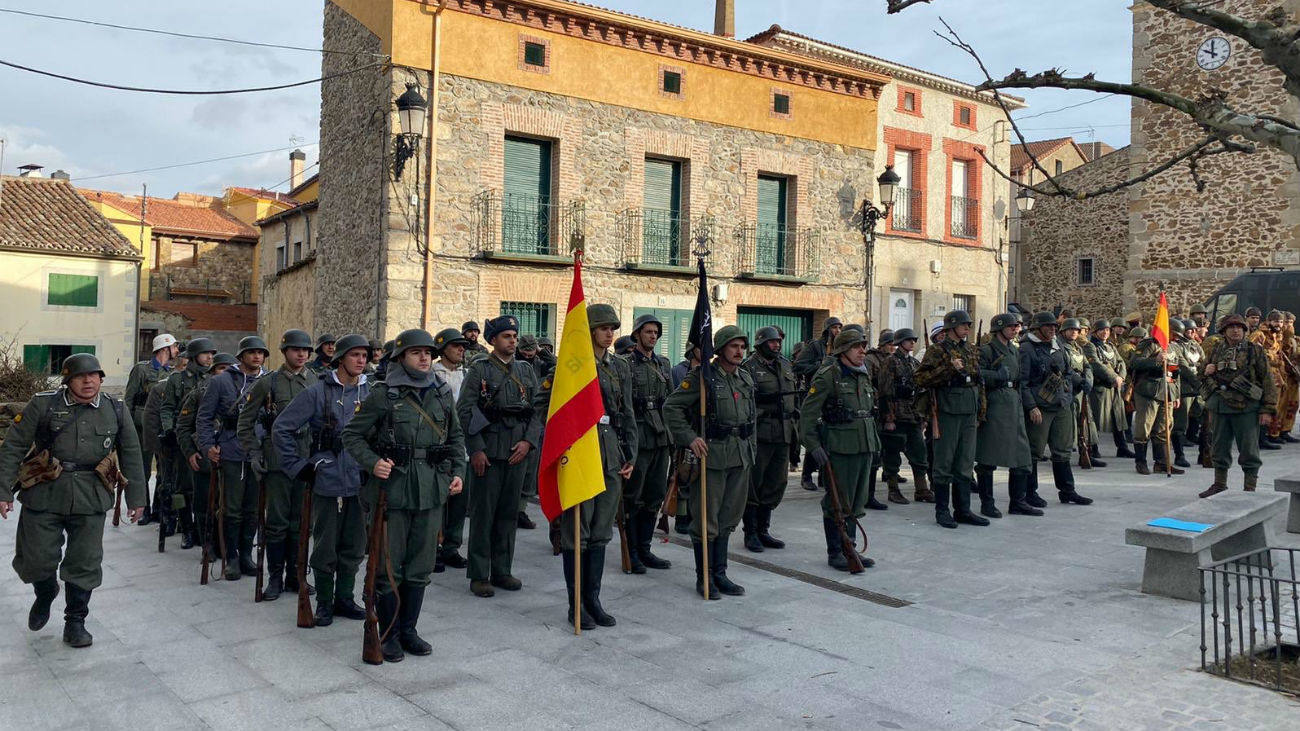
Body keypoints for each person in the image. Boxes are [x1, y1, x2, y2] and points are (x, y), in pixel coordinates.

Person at [0, 354, 147, 648]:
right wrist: (3, 491)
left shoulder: (115, 410)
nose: (89, 381)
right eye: (81, 376)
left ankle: (75, 622)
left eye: (94, 375)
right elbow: (13, 446)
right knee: (35, 559)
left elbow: (131, 454)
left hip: (91, 495)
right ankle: (45, 591)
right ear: (68, 380)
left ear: (101, 379)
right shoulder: (43, 405)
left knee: (85, 562)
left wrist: (136, 498)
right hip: (44, 491)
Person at [343, 329, 465, 662]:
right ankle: (389, 632)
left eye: (427, 352)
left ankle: (409, 630)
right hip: (393, 491)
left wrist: (457, 473)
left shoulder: (441, 393)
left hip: (431, 489)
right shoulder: (384, 395)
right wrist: (373, 463)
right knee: (388, 565)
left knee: (420, 566)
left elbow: (455, 439)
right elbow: (352, 436)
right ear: (400, 358)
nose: (424, 357)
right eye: (416, 353)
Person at [540, 304, 636, 626]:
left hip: (610, 454)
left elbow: (628, 413)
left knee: (600, 533)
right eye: (603, 328)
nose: (609, 333)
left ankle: (593, 600)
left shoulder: (620, 367)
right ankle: (574, 605)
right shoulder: (571, 365)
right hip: (581, 452)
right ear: (590, 330)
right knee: (576, 534)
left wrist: (630, 454)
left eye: (613, 328)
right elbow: (547, 407)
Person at [274, 334, 372, 626]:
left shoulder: (371, 393)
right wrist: (298, 466)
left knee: (355, 545)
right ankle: (325, 602)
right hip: (327, 479)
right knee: (326, 546)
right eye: (355, 355)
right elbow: (282, 428)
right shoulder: (317, 392)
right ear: (340, 358)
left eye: (364, 356)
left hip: (361, 480)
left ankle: (345, 598)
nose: (361, 361)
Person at [665, 325, 756, 596]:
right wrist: (689, 437)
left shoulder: (745, 378)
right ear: (720, 349)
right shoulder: (702, 377)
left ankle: (721, 573)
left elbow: (752, 419)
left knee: (729, 517)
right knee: (707, 520)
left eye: (742, 346)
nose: (739, 351)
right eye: (734, 346)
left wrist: (751, 450)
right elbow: (671, 407)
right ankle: (704, 577)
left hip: (739, 455)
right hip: (711, 456)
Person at [456, 316, 542, 597]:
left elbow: (537, 411)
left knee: (509, 513)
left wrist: (528, 442)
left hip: (517, 450)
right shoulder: (479, 370)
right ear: (492, 340)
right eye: (506, 336)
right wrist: (477, 449)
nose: (513, 341)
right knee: (484, 514)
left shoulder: (526, 371)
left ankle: (502, 569)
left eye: (515, 336)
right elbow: (466, 411)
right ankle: (480, 573)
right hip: (490, 451)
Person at [236, 329, 318, 601]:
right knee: (277, 523)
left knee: (301, 524)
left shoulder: (317, 381)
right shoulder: (268, 383)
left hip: (306, 460)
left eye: (306, 350)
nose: (302, 354)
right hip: (278, 462)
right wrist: (255, 453)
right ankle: (274, 578)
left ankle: (296, 576)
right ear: (285, 352)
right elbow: (245, 423)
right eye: (296, 349)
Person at [799, 329, 879, 567]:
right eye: (857, 347)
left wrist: (874, 443)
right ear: (844, 350)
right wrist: (813, 446)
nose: (862, 351)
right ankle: (836, 551)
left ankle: (850, 547)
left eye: (863, 346)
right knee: (837, 501)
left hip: (863, 445)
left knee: (856, 501)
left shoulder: (862, 374)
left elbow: (867, 412)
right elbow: (807, 416)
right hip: (841, 448)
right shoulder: (829, 375)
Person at [197, 335, 269, 581]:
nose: (257, 356)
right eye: (252, 352)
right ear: (241, 356)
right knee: (231, 508)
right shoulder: (221, 382)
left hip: (258, 451)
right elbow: (204, 417)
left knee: (253, 508)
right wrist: (208, 446)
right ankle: (232, 557)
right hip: (231, 448)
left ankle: (247, 554)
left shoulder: (269, 381)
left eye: (261, 353)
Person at [914, 310, 988, 528]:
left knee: (965, 462)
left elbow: (978, 381)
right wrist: (948, 369)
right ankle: (942, 510)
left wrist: (981, 410)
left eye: (969, 324)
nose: (967, 328)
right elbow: (920, 378)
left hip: (969, 410)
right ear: (952, 327)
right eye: (964, 324)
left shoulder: (971, 350)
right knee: (944, 462)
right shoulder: (937, 350)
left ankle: (963, 509)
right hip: (947, 412)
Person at [1199, 315, 1278, 497]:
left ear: (1244, 330)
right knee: (1218, 448)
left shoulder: (1254, 350)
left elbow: (1267, 380)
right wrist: (1206, 370)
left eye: (1239, 327)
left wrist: (1267, 409)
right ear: (1224, 331)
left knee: (1249, 450)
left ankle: (1249, 488)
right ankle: (1219, 484)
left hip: (1246, 407)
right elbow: (1200, 374)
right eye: (1231, 327)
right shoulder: (1216, 349)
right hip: (1220, 406)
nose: (1235, 330)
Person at [1020, 312, 1093, 507]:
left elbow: (1067, 372)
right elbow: (1023, 383)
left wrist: (1072, 389)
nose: (1053, 329)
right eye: (1048, 326)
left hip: (1061, 404)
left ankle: (1067, 491)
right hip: (1040, 407)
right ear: (1037, 328)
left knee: (1062, 450)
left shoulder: (1057, 345)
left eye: (1054, 326)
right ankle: (1029, 492)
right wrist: (1031, 406)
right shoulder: (1026, 349)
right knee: (1034, 451)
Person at [740, 325, 798, 552]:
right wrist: (762, 404)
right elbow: (744, 403)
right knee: (755, 483)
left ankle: (764, 529)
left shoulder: (785, 364)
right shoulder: (749, 368)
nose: (776, 345)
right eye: (772, 342)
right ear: (761, 344)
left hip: (784, 432)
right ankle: (751, 532)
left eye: (778, 342)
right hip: (761, 433)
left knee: (776, 482)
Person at [975, 314, 1040, 516]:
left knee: (1022, 456)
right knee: (988, 455)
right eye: (1012, 326)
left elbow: (1022, 379)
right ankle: (987, 503)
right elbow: (977, 374)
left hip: (1014, 403)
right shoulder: (987, 350)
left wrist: (1028, 405)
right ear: (999, 328)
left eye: (1018, 326)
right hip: (996, 405)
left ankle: (1018, 501)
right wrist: (996, 376)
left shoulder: (1015, 349)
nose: (1016, 329)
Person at [623, 313, 674, 569]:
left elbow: (672, 401)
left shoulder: (664, 364)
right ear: (637, 335)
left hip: (661, 436)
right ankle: (631, 551)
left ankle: (645, 549)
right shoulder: (625, 364)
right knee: (635, 496)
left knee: (654, 494)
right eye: (647, 332)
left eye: (655, 332)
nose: (652, 336)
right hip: (639, 436)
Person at [159, 338, 218, 541]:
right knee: (181, 488)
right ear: (193, 357)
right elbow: (166, 408)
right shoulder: (177, 380)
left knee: (203, 488)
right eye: (205, 354)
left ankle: (204, 528)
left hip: (205, 439)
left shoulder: (213, 379)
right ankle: (186, 528)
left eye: (211, 353)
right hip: (182, 438)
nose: (209, 357)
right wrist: (169, 430)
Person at [177, 353, 236, 557]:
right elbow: (183, 427)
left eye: (230, 368)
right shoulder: (198, 394)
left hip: (231, 457)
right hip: (204, 457)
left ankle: (226, 546)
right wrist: (190, 452)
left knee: (229, 506)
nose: (226, 372)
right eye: (221, 368)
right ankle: (208, 544)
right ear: (212, 372)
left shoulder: (241, 392)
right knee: (204, 505)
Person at [124, 333, 178, 525]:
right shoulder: (141, 370)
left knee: (163, 469)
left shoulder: (171, 373)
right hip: (140, 425)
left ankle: (158, 508)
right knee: (143, 469)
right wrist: (127, 427)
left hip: (162, 425)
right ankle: (144, 508)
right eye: (174, 346)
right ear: (165, 348)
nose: (177, 351)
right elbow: (129, 399)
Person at [431, 328, 472, 572]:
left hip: (461, 443)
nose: (461, 350)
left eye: (463, 347)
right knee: (438, 500)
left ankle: (451, 547)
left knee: (459, 502)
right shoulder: (432, 374)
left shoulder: (467, 374)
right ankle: (434, 547)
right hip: (438, 444)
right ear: (443, 348)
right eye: (456, 346)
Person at [877, 328, 932, 505]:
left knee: (919, 453)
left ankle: (922, 489)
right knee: (892, 454)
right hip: (897, 415)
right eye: (909, 340)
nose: (912, 342)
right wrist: (889, 418)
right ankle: (893, 490)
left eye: (914, 339)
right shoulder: (890, 362)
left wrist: (924, 416)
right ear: (900, 342)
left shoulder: (914, 363)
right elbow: (885, 391)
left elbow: (921, 390)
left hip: (913, 414)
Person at [794, 317, 842, 491]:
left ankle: (824, 475)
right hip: (815, 394)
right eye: (834, 328)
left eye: (839, 328)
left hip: (833, 397)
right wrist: (818, 365)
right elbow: (798, 366)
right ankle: (806, 476)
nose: (837, 331)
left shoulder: (840, 347)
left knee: (828, 436)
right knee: (814, 435)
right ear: (827, 329)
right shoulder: (815, 346)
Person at [1130, 322, 1184, 474]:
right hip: (1148, 391)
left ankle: (1161, 463)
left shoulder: (1174, 347)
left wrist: (1176, 394)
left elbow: (1175, 372)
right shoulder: (1148, 344)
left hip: (1166, 392)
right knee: (1143, 428)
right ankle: (1140, 462)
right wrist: (1156, 360)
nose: (1176, 339)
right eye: (1175, 335)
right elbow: (1135, 363)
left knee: (1163, 429)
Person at [1084, 319, 1133, 460]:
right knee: (1096, 420)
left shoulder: (1110, 346)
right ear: (1095, 331)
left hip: (1114, 388)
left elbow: (1121, 362)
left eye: (1107, 330)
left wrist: (1121, 378)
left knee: (1118, 419)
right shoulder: (1090, 346)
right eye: (1102, 330)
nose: (1105, 332)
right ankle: (1092, 449)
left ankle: (1122, 447)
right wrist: (1114, 378)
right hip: (1100, 388)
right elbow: (1096, 365)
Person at [1058, 319, 1100, 468]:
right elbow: (1065, 368)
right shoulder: (1060, 347)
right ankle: (1065, 455)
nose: (1074, 332)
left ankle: (1088, 452)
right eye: (1071, 329)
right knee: (1070, 425)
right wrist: (1080, 381)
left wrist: (1088, 380)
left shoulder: (1078, 347)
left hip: (1081, 389)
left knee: (1086, 422)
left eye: (1076, 330)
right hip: (1068, 389)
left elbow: (1087, 366)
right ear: (1063, 331)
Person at [1250, 310, 1292, 447]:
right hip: (1262, 376)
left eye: (1280, 321)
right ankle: (1260, 439)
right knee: (1263, 406)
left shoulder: (1276, 336)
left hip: (1275, 377)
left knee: (1273, 406)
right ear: (1268, 322)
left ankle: (1270, 435)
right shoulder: (1259, 335)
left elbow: (1280, 357)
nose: (1279, 324)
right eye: (1275, 321)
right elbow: (1251, 352)